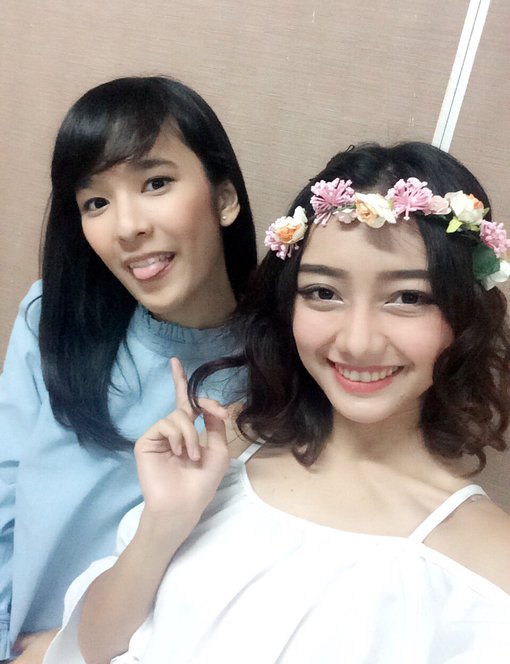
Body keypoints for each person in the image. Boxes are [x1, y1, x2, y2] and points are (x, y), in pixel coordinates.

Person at [45, 142, 510, 664]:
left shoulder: (488, 568)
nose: (357, 342)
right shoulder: (228, 458)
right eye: (323, 293)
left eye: (408, 297)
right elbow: (92, 648)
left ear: (465, 313)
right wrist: (163, 524)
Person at [0, 75, 257, 662]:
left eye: (155, 182)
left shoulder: (280, 368)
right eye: (95, 202)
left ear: (224, 197)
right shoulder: (52, 322)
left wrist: (65, 650)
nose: (127, 226)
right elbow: (4, 491)